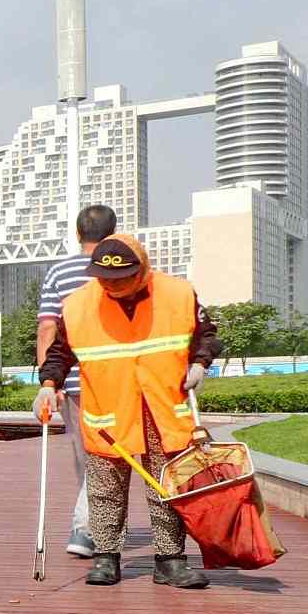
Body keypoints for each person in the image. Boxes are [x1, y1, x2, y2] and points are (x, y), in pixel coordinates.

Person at [34, 234, 221, 587]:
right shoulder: (77, 305)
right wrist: (48, 385)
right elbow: (60, 352)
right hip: (107, 411)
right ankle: (106, 559)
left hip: (161, 407)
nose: (113, 285)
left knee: (165, 485)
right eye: (105, 279)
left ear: (142, 269)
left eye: (121, 278)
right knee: (105, 488)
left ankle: (170, 561)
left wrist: (200, 363)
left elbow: (206, 335)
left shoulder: (178, 294)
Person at [35, 204, 118, 559]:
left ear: (77, 233)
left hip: (72, 379)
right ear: (113, 234)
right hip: (118, 377)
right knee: (111, 455)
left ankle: (90, 527)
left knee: (87, 456)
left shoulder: (59, 272)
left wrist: (48, 383)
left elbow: (47, 328)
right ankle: (87, 527)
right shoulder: (123, 268)